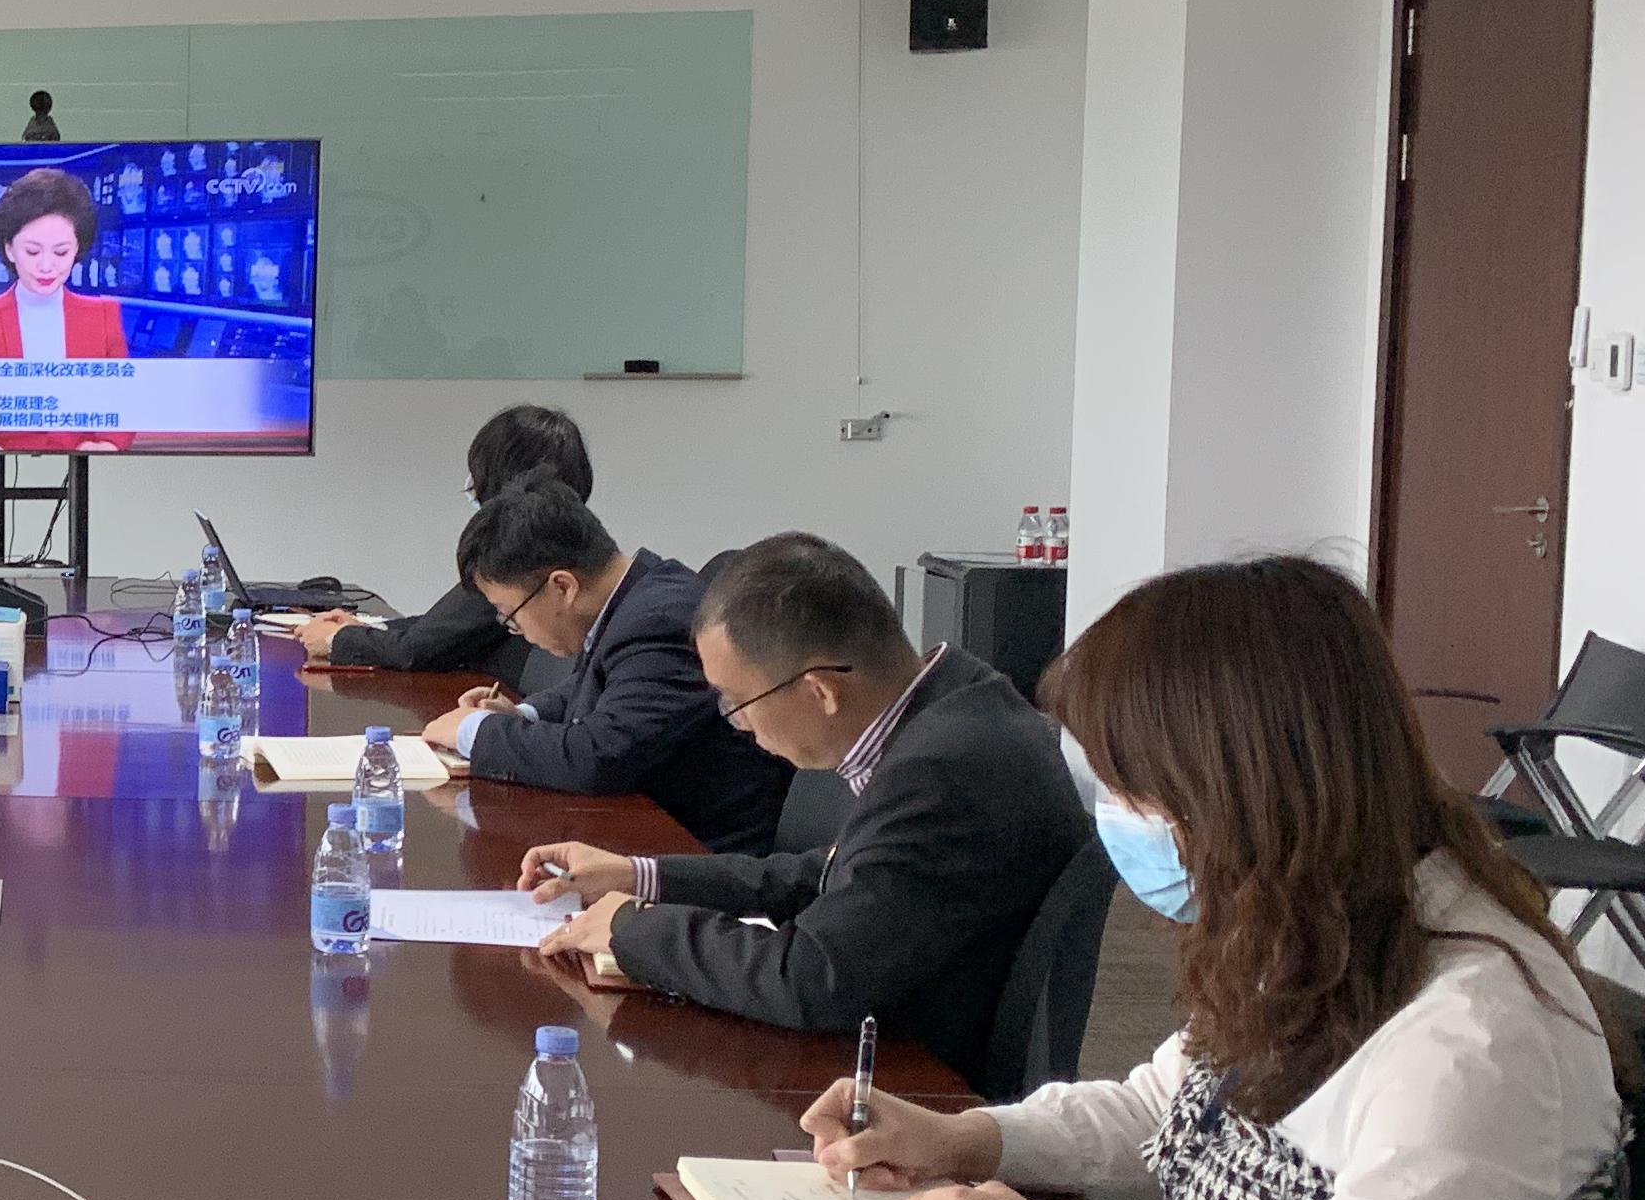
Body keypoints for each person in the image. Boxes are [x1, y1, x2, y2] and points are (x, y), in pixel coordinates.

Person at [810, 555, 1626, 1200]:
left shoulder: (1475, 1039)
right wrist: (971, 1139)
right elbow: (1171, 1109)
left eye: (1134, 790)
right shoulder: (1320, 926)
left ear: (1238, 786)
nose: (1116, 817)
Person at [521, 531, 1090, 1091]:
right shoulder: (957, 698)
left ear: (820, 691)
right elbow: (835, 870)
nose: (737, 724)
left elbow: (809, 978)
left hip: (916, 1084)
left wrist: (632, 927)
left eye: (737, 703)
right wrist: (640, 875)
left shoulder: (942, 774)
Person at [417, 483, 788, 856]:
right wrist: (521, 714)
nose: (518, 630)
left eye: (510, 614)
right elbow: (592, 687)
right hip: (643, 826)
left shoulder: (661, 620)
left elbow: (598, 757)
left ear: (563, 587)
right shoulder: (636, 596)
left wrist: (476, 732)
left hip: (695, 852)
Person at [293, 404, 590, 683]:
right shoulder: (569, 541)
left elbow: (417, 650)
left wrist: (335, 640)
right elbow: (444, 627)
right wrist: (367, 628)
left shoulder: (518, 554)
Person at [0, 167, 128, 359]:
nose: (46, 267)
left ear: (77, 249)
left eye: (61, 252)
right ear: (9, 249)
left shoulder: (104, 316)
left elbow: (123, 380)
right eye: (32, 252)